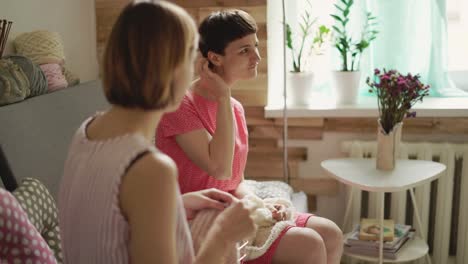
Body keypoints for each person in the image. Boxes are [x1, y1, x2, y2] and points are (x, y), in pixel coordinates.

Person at [58, 1, 256, 264]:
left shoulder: (86, 132)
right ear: (170, 69)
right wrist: (223, 235)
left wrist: (179, 203)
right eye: (191, 59)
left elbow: (110, 221)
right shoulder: (151, 169)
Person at [156, 9, 343, 264]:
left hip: (231, 207)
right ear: (214, 58)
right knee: (309, 244)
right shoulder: (180, 106)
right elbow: (219, 169)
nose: (257, 56)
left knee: (331, 234)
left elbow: (234, 181)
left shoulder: (234, 108)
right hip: (195, 218)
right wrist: (222, 96)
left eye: (256, 46)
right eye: (244, 50)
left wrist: (259, 203)